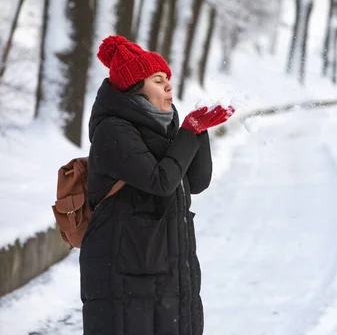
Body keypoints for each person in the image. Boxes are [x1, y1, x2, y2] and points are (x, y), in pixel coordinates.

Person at [80, 35, 234, 335]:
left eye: (168, 78)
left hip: (168, 270)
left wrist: (197, 132)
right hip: (125, 276)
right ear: (134, 87)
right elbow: (160, 181)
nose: (168, 86)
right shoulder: (113, 130)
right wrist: (188, 132)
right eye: (158, 79)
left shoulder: (163, 126)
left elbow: (195, 182)